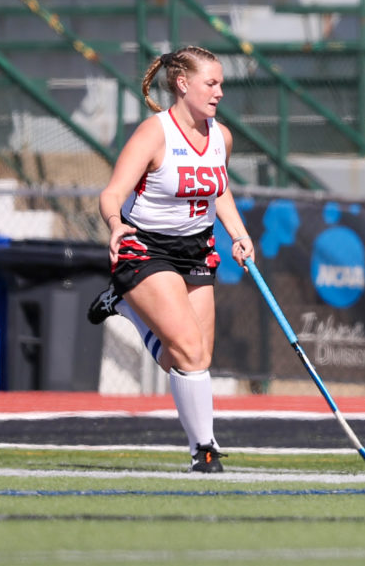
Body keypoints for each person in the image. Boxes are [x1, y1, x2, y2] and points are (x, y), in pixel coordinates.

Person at [87, 46, 254, 473]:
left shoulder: (222, 136)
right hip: (144, 246)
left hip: (196, 248)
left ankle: (124, 306)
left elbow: (218, 189)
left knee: (189, 357)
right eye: (211, 83)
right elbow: (112, 193)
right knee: (191, 351)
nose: (219, 93)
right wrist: (113, 222)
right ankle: (205, 450)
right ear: (183, 84)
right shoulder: (154, 133)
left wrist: (238, 233)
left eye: (221, 84)